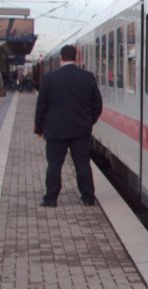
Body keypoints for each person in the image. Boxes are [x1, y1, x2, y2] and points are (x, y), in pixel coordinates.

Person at [34, 45, 103, 207]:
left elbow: (41, 105)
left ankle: (51, 198)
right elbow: (98, 105)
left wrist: (39, 127)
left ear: (61, 58)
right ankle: (88, 197)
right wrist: (88, 121)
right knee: (82, 163)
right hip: (81, 130)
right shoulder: (88, 77)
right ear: (77, 58)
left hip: (55, 131)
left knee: (54, 164)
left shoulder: (50, 78)